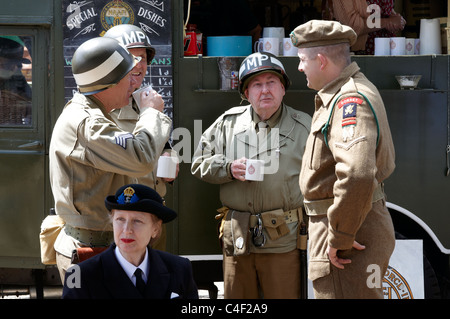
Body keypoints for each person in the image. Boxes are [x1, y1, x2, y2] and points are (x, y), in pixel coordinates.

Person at [49, 36, 172, 283]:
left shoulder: (92, 114)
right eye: (127, 75)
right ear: (108, 83)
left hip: (108, 246)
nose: (133, 82)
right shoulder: (88, 123)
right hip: (92, 251)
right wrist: (151, 114)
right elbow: (140, 157)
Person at [191, 52, 311, 299]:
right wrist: (228, 168)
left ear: (283, 88)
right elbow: (198, 163)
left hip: (285, 241)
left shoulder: (305, 127)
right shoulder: (228, 123)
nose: (265, 90)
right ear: (246, 94)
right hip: (238, 238)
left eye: (271, 82)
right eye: (256, 84)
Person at [290, 20, 396, 298]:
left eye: (303, 60)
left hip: (348, 235)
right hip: (352, 225)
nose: (300, 67)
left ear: (321, 60)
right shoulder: (346, 92)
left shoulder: (349, 99)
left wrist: (341, 235)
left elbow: (357, 173)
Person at [104, 24, 178, 251]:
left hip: (153, 218)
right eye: (130, 57)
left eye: (143, 57)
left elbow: (162, 144)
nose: (139, 65)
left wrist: (170, 156)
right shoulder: (101, 108)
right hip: (120, 225)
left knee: (155, 283)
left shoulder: (147, 101)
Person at [62, 184, 199, 299]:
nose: (127, 230)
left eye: (137, 221)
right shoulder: (80, 275)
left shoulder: (180, 269)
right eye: (120, 219)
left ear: (155, 229)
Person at [329, 0, 405, 54]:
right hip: (362, 53)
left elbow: (383, 9)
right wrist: (387, 22)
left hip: (387, 49)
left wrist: (395, 18)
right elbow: (352, 26)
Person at [0, 36, 32, 125]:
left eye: (16, 64)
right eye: (9, 64)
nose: (15, 68)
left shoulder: (18, 80)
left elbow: (29, 101)